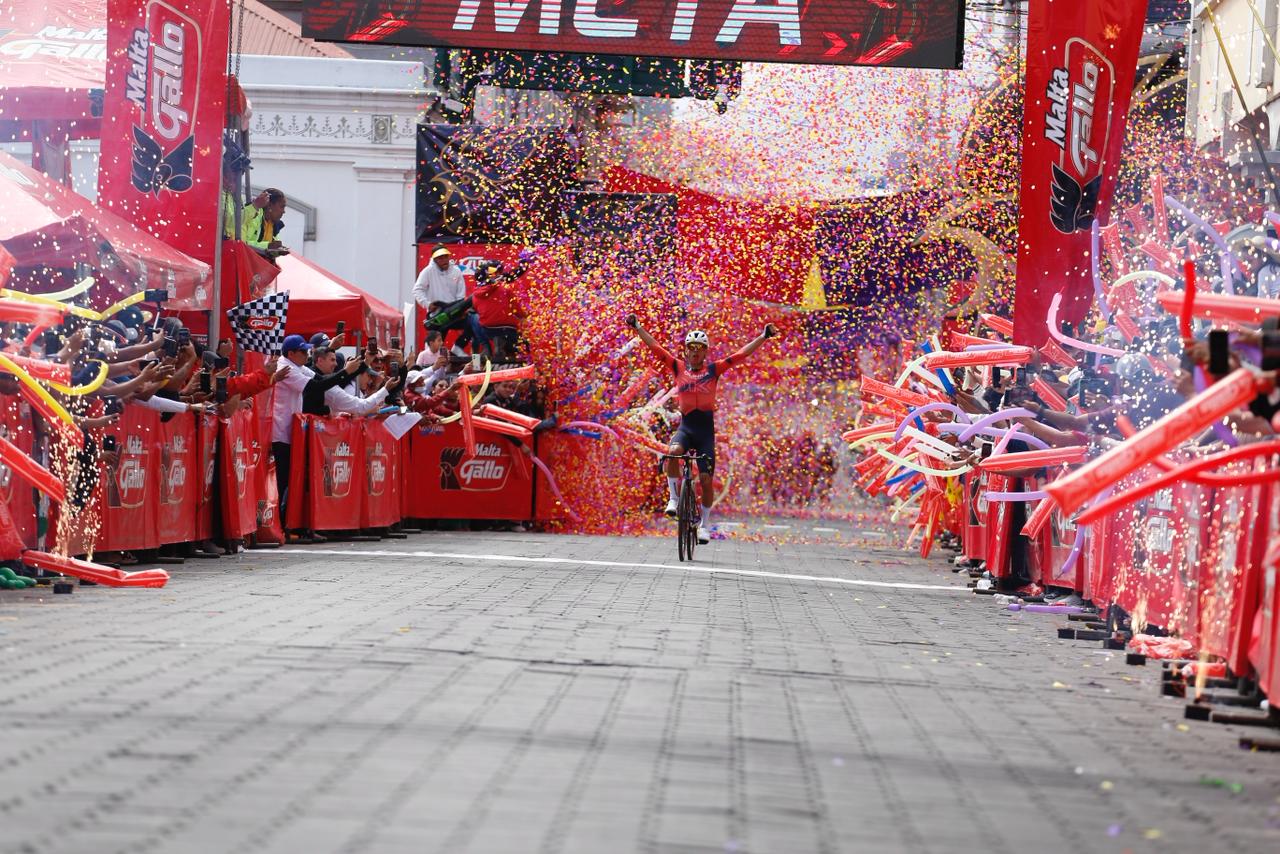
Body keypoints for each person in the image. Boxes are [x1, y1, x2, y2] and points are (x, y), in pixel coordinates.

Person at [625, 315, 778, 543]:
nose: (695, 352)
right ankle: (674, 500)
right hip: (686, 428)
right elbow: (655, 347)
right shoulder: (677, 367)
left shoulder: (713, 370)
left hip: (705, 432)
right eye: (691, 348)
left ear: (705, 352)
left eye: (699, 348)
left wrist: (763, 336)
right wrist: (638, 326)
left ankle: (704, 525)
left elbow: (741, 355)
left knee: (706, 479)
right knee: (673, 451)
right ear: (686, 351)